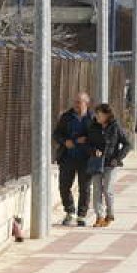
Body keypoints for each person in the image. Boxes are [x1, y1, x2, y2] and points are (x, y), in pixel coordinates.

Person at [52, 92, 93, 226]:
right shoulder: (66, 117)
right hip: (68, 157)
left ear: (86, 103)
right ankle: (70, 211)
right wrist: (65, 142)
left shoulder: (92, 118)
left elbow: (98, 137)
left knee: (84, 188)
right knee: (64, 186)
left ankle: (81, 215)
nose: (76, 105)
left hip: (86, 159)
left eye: (79, 102)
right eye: (75, 102)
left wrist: (86, 140)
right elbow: (56, 134)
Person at [87, 103, 131, 227]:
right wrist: (93, 150)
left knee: (107, 190)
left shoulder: (115, 127)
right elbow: (88, 143)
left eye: (99, 114)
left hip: (110, 163)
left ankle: (110, 214)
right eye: (96, 114)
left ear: (107, 115)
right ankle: (99, 217)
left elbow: (127, 144)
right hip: (96, 162)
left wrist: (117, 159)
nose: (97, 117)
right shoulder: (93, 127)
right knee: (96, 190)